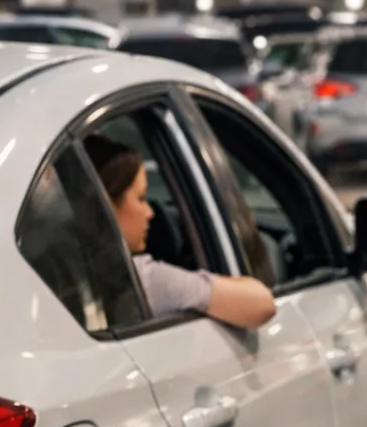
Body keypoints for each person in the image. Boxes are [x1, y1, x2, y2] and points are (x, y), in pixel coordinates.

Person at [83, 135, 278, 330]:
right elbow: (263, 304)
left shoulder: (66, 273)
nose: (150, 212)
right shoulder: (141, 280)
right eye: (141, 198)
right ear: (105, 206)